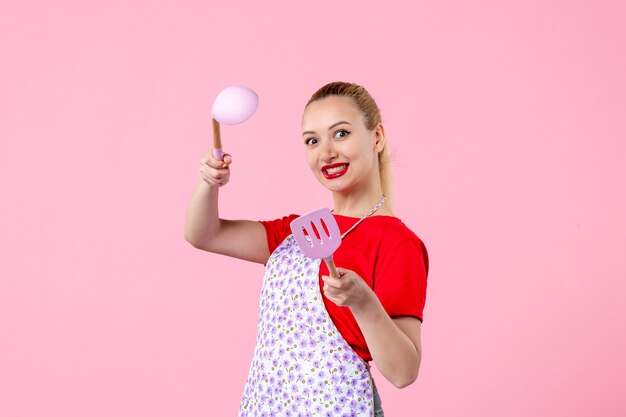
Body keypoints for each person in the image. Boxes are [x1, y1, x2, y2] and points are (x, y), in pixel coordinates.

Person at [185, 81, 429, 417]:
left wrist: (363, 301)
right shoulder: (298, 233)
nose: (326, 152)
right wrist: (208, 183)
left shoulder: (396, 243)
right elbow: (205, 235)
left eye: (340, 134)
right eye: (312, 141)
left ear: (377, 137)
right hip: (266, 407)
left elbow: (403, 372)